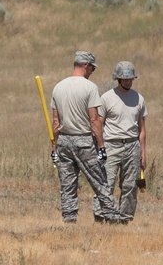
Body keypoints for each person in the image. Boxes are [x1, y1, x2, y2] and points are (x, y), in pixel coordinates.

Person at [50, 51, 123, 224]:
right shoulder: (89, 88)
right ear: (86, 66)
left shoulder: (58, 87)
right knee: (100, 182)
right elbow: (94, 120)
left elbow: (55, 122)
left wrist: (54, 147)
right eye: (92, 68)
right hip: (84, 142)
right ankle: (112, 217)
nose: (92, 72)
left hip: (64, 142)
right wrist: (102, 146)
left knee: (67, 185)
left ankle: (69, 219)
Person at [92, 60, 146, 222]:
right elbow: (98, 124)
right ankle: (102, 216)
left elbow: (142, 129)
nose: (128, 82)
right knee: (106, 183)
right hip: (111, 144)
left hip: (132, 145)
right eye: (125, 79)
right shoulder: (107, 98)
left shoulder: (139, 99)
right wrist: (100, 147)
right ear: (118, 79)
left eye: (131, 79)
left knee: (130, 185)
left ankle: (125, 217)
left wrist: (143, 152)